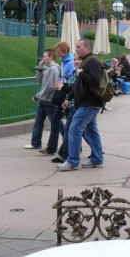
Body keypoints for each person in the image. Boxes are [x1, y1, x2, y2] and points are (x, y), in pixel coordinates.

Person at [58, 38, 105, 171]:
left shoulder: (93, 62)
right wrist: (69, 97)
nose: (76, 49)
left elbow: (95, 81)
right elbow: (78, 85)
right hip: (86, 103)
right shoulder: (85, 62)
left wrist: (82, 73)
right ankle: (97, 159)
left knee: (74, 130)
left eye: (79, 47)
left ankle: (73, 161)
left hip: (89, 104)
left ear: (88, 48)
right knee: (91, 132)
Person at [24, 49, 63, 153]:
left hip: (49, 101)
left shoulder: (54, 69)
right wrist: (40, 67)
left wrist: (37, 96)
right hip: (44, 101)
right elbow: (39, 80)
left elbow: (49, 87)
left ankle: (68, 140)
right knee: (38, 122)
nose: (43, 58)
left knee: (57, 124)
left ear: (51, 57)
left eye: (45, 56)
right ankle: (36, 143)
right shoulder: (48, 68)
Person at [51, 54, 83, 163]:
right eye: (75, 59)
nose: (76, 61)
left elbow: (76, 88)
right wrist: (64, 86)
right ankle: (64, 153)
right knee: (80, 131)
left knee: (70, 130)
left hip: (77, 105)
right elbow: (72, 87)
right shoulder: (76, 72)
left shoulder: (80, 73)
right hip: (71, 103)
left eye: (78, 59)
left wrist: (64, 86)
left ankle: (65, 155)